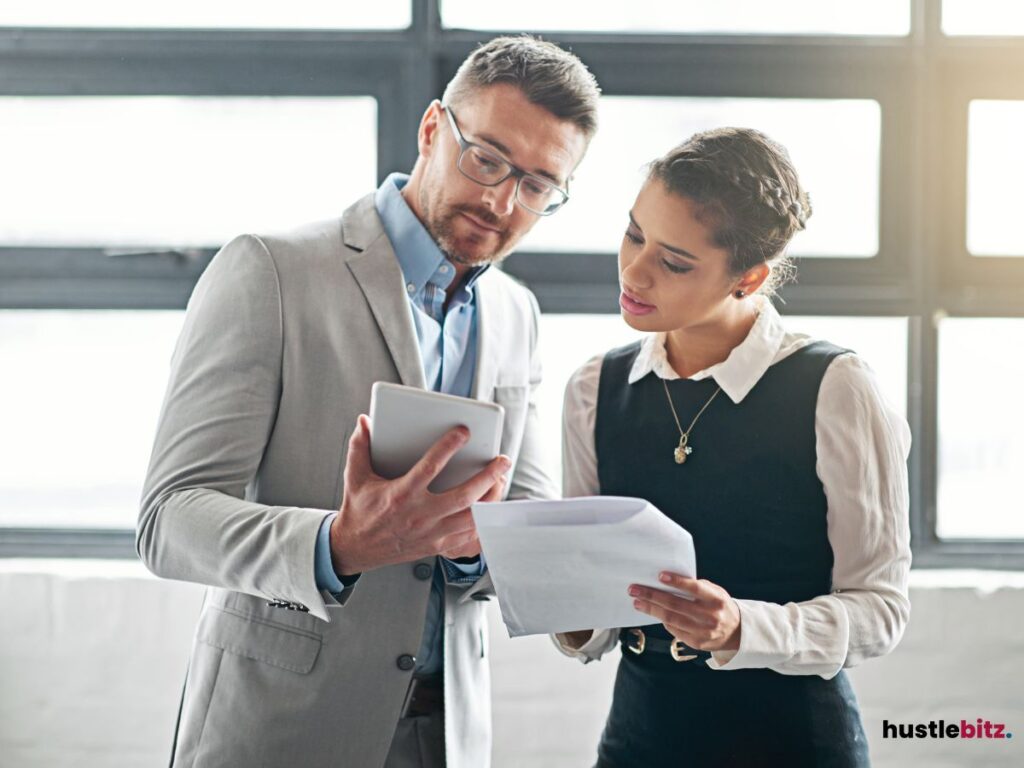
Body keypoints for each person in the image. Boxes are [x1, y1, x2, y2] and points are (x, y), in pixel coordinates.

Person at [138, 35, 600, 768]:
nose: (501, 200)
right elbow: (169, 522)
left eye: (539, 186)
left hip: (448, 734)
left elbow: (522, 527)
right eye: (486, 158)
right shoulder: (271, 270)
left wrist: (502, 549)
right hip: (284, 729)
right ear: (430, 130)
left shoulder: (517, 314)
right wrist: (340, 545)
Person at [552, 128, 911, 767]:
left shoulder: (836, 386)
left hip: (791, 744)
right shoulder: (592, 388)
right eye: (634, 234)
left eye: (675, 261)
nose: (634, 271)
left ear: (749, 277)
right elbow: (591, 611)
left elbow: (880, 611)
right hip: (637, 740)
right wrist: (569, 614)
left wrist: (742, 628)